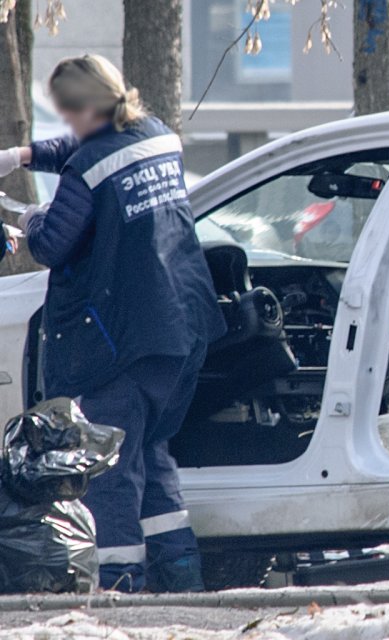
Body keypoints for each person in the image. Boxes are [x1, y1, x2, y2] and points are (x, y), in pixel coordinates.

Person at [0, 55, 227, 592]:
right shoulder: (156, 135)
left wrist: (28, 218)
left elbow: (55, 243)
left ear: (82, 108)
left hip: (120, 339)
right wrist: (23, 156)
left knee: (109, 469)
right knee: (150, 451)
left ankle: (120, 584)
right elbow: (86, 154)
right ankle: (181, 575)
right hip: (180, 329)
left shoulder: (92, 162)